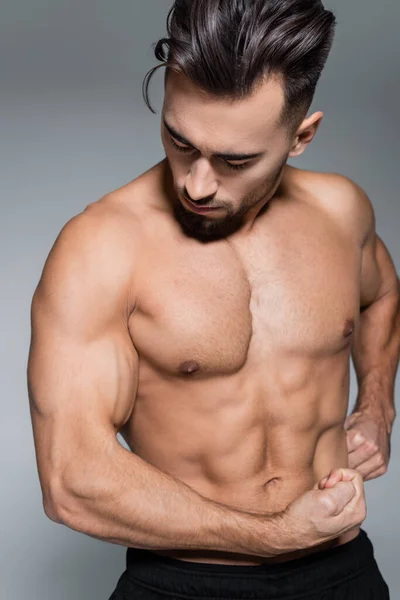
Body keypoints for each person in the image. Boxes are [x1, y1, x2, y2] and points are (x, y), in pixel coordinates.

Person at [27, 1, 399, 598]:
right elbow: (72, 479)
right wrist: (275, 534)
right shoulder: (101, 247)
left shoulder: (341, 212)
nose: (196, 184)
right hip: (183, 582)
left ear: (302, 136)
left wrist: (377, 407)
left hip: (344, 571)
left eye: (235, 161)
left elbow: (381, 296)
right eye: (180, 140)